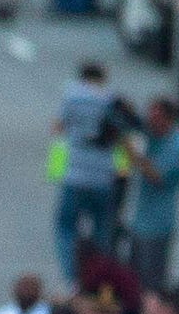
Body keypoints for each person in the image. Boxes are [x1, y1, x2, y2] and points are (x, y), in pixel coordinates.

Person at [48, 65, 124, 282]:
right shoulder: (112, 101)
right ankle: (98, 275)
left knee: (66, 228)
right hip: (103, 178)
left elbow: (57, 129)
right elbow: (123, 135)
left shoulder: (72, 98)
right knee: (101, 229)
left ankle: (73, 277)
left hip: (75, 176)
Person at [121, 97, 179, 294]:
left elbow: (157, 177)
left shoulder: (177, 144)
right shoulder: (151, 137)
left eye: (156, 117)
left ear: (169, 119)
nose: (150, 122)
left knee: (151, 282)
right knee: (132, 279)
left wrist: (132, 152)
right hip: (138, 220)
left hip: (158, 225)